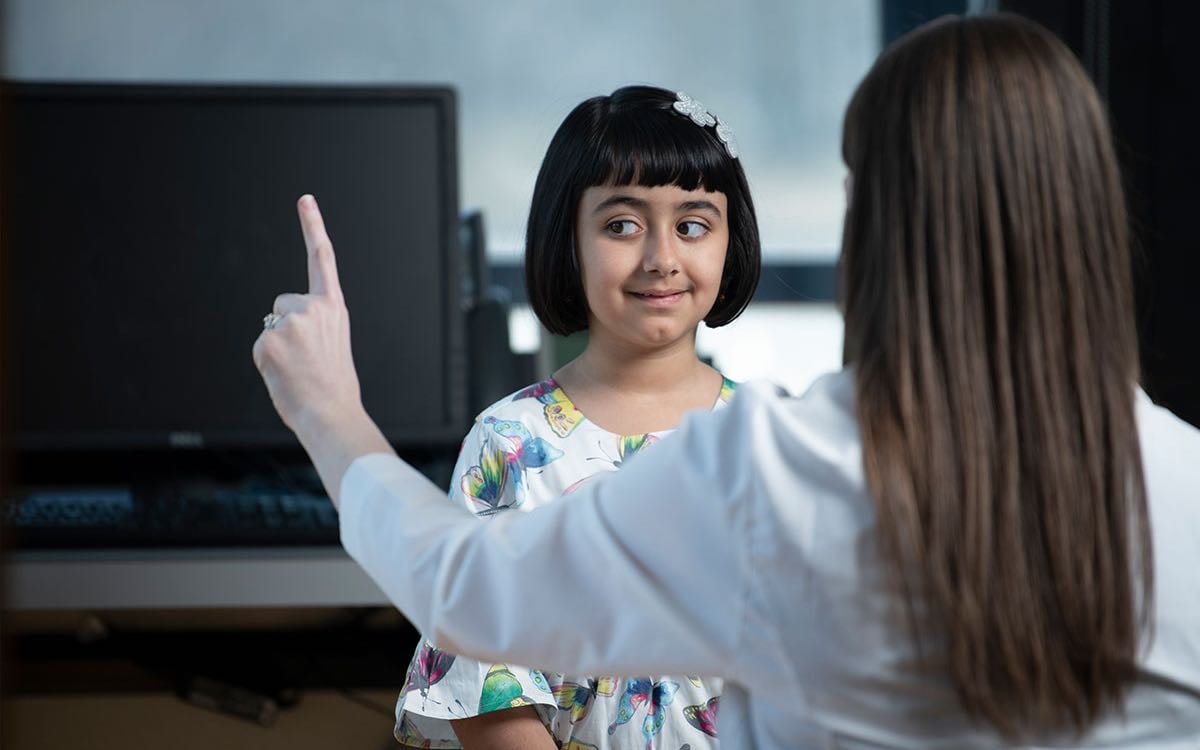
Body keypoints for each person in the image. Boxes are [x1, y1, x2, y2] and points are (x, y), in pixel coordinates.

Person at [252, 13, 1200, 749]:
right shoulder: (1184, 478)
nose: (662, 255)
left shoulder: (777, 465)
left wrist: (329, 407)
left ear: (877, 222)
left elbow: (456, 587)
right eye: (622, 222)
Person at [390, 85, 760, 750]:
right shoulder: (509, 444)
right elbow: (486, 692)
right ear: (569, 240)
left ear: (731, 242)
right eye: (622, 225)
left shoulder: (771, 443)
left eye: (693, 224)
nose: (662, 258)